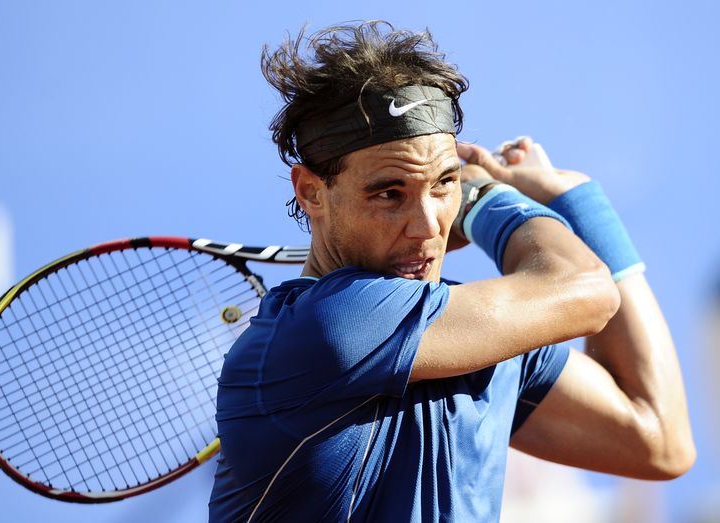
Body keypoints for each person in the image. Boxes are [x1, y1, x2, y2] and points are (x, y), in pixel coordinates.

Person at [209, 21, 695, 522]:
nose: (425, 226)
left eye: (444, 185)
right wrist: (490, 199)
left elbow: (658, 440)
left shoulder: (474, 334)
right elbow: (587, 289)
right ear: (311, 192)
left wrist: (581, 202)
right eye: (388, 193)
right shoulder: (326, 324)